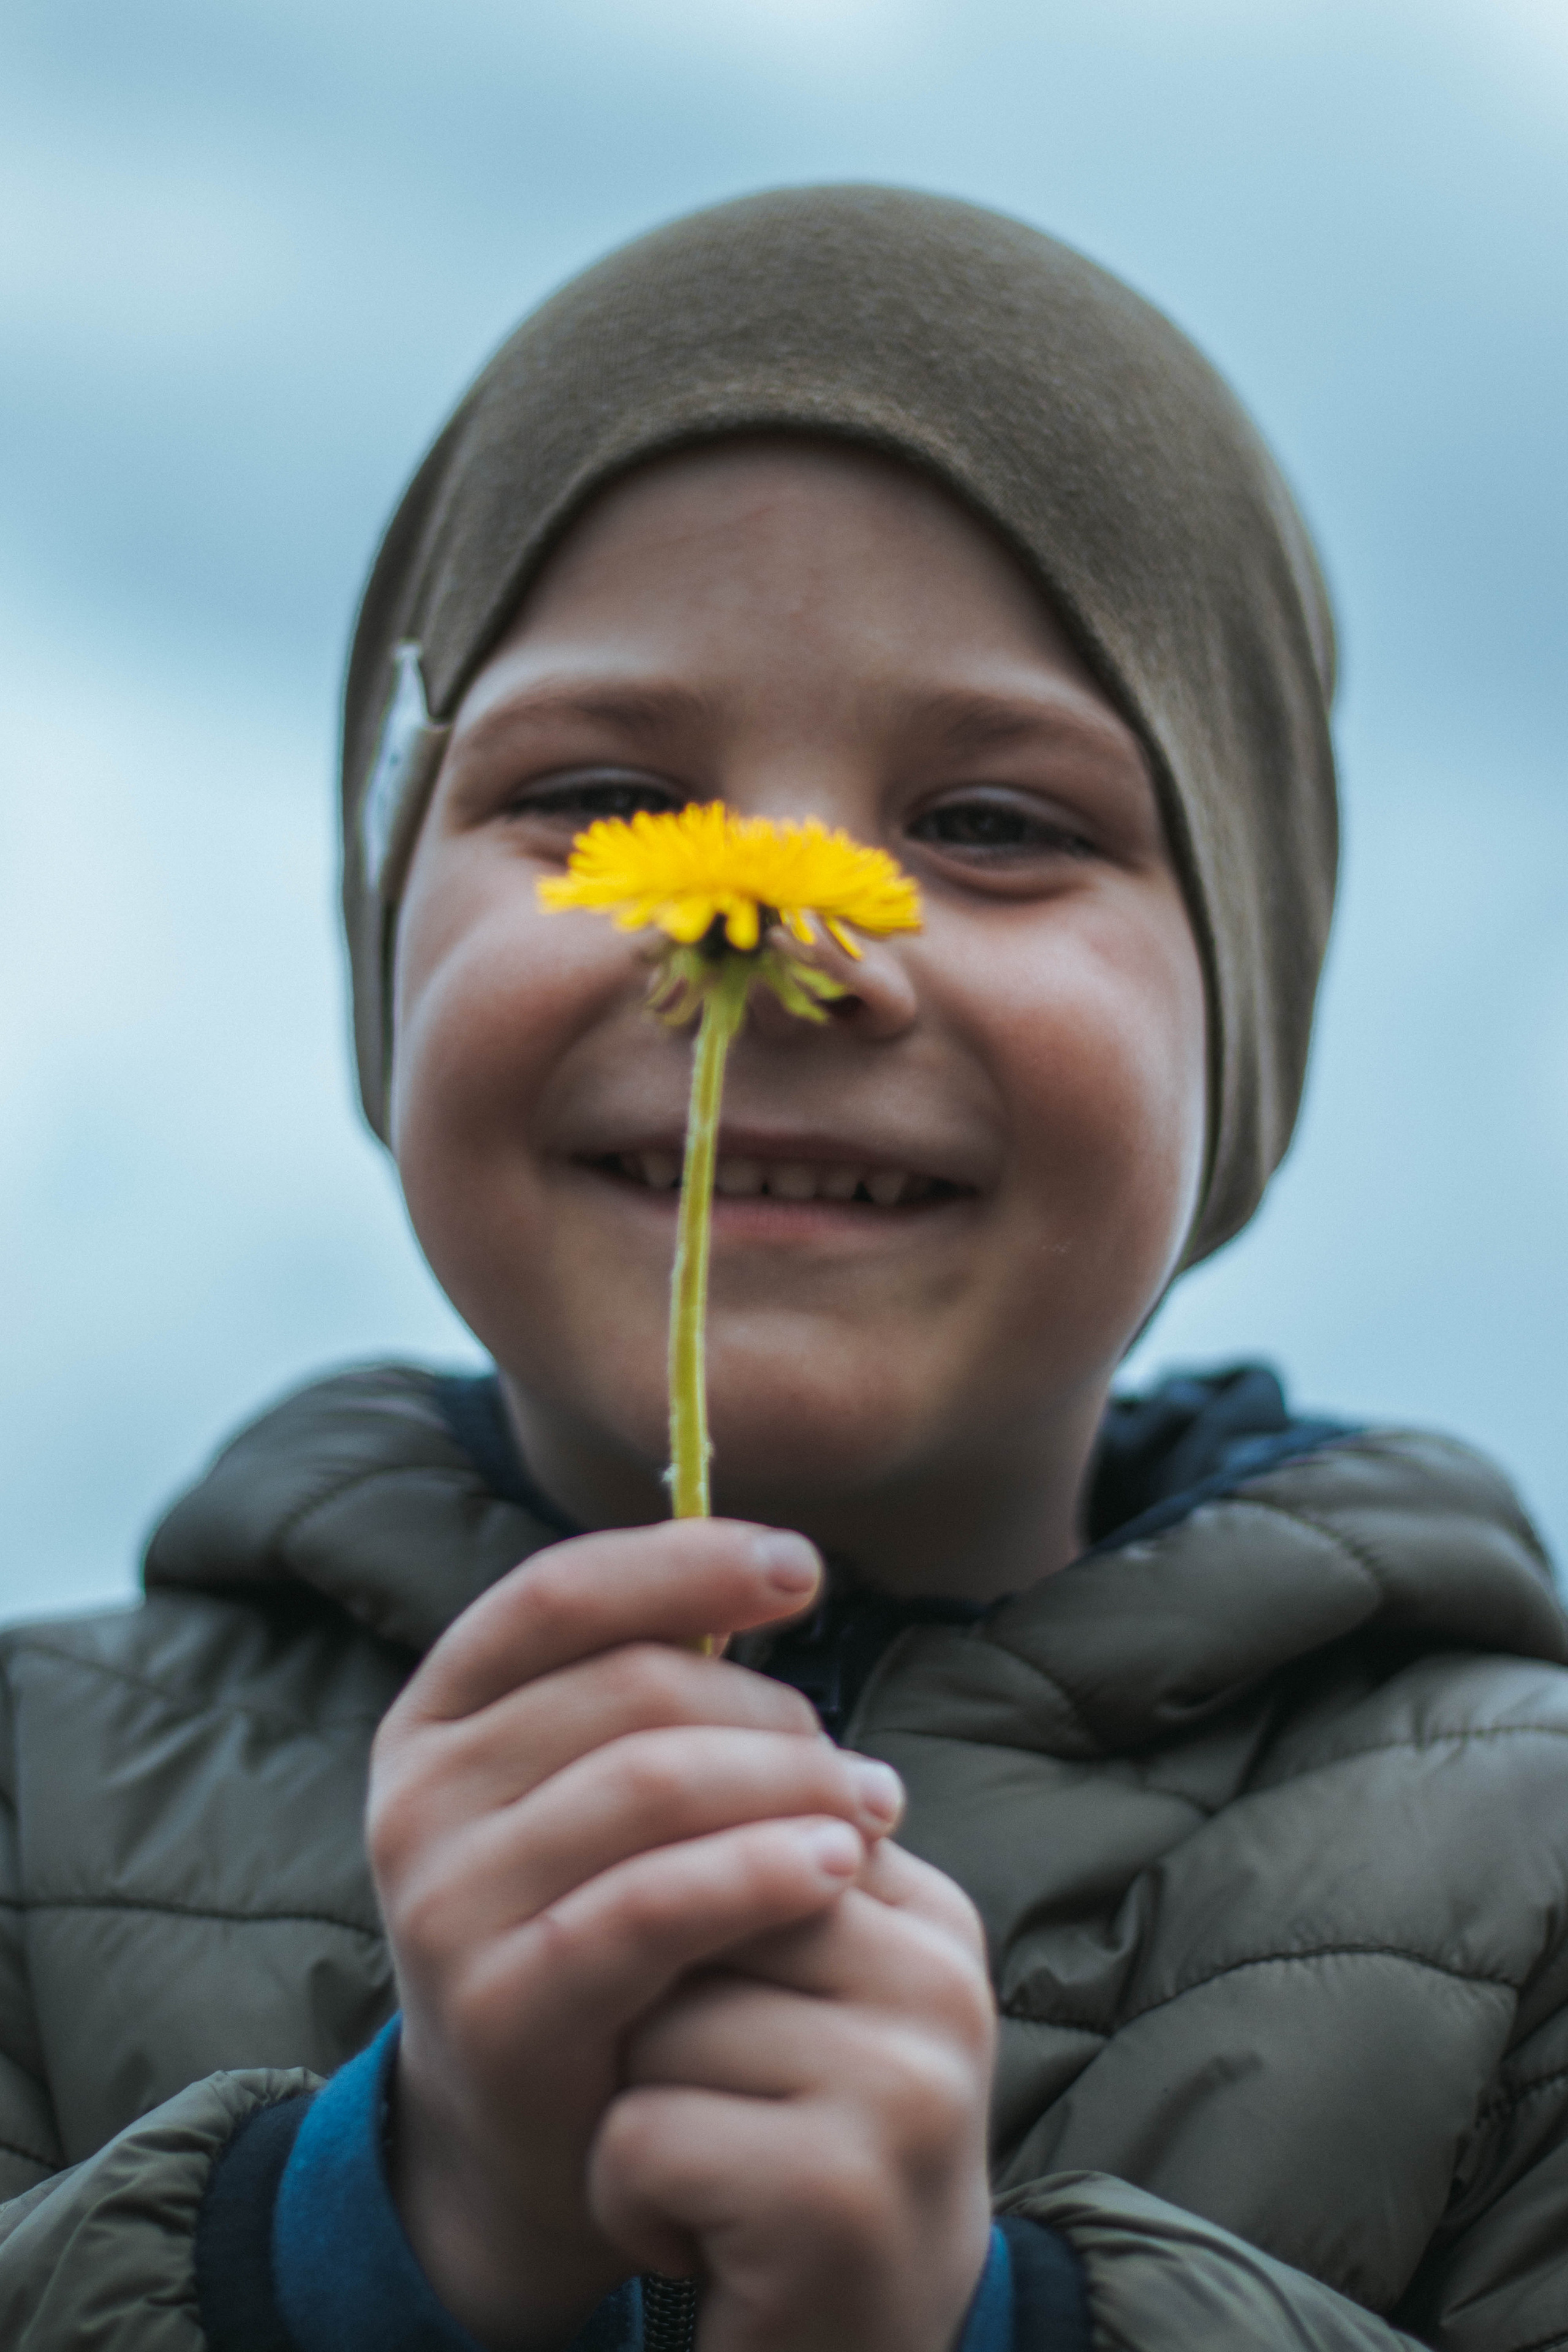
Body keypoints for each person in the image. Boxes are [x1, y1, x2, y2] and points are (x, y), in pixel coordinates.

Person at [1, 186, 1563, 2352]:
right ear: (387, 931)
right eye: (613, 791)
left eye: (996, 825)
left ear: (1246, 1022)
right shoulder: (25, 1799)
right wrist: (363, 2240)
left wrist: (986, 2330)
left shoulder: (1532, 1891)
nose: (783, 929)